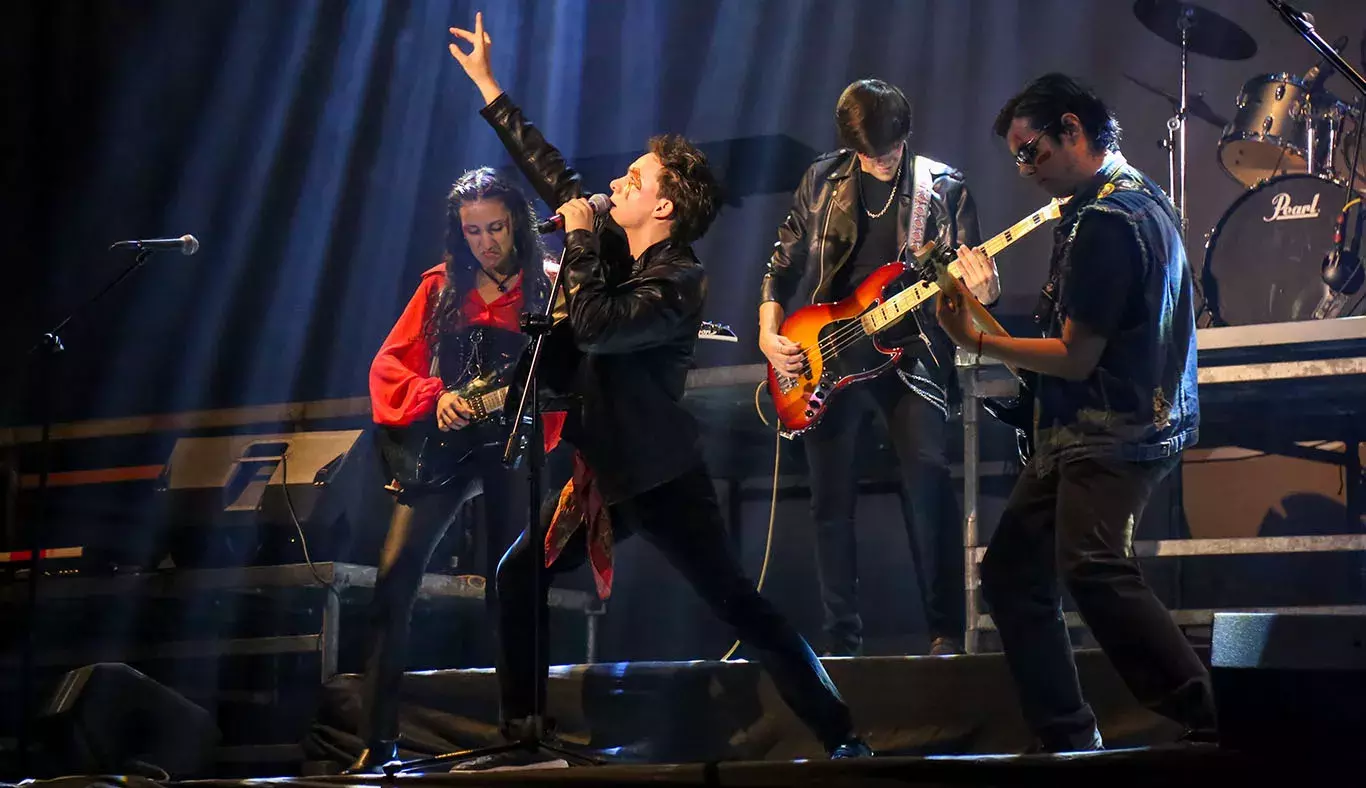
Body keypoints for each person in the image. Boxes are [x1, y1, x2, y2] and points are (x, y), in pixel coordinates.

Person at [446, 11, 871, 766]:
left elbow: (605, 326)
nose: (616, 184)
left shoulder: (679, 279)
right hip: (603, 470)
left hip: (661, 474)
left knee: (737, 600)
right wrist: (490, 87)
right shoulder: (612, 245)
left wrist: (576, 241)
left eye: (634, 180)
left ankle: (843, 734)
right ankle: (525, 736)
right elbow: (557, 174)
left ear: (664, 207)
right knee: (518, 577)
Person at [935, 73, 1216, 751]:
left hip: (1108, 429)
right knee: (1011, 573)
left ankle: (1210, 718)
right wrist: (989, 310)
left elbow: (1074, 355)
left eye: (1031, 151)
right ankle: (1068, 737)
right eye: (1017, 158)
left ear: (1072, 129)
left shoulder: (1107, 221)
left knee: (1090, 563)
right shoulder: (1137, 198)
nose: (1025, 170)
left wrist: (973, 337)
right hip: (1094, 428)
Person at [758, 78, 998, 657]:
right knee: (829, 502)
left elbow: (968, 284)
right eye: (867, 154)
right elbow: (782, 263)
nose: (879, 163)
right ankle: (842, 643)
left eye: (887, 152)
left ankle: (943, 632)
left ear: (906, 133)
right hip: (829, 356)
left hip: (910, 354)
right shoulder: (821, 180)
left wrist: (984, 295)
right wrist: (768, 333)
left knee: (927, 479)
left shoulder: (942, 188)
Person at [348, 166, 566, 772]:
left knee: (511, 585)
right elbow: (388, 366)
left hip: (511, 447)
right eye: (473, 231)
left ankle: (519, 730)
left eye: (496, 227)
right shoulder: (441, 287)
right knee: (393, 580)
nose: (486, 241)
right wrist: (433, 394)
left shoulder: (551, 288)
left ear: (517, 223)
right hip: (440, 450)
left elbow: (569, 372)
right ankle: (378, 739)